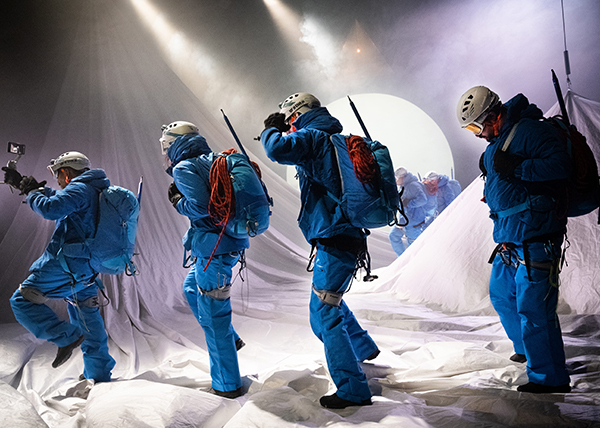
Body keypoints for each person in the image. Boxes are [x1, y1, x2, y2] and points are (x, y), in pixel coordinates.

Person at [261, 92, 380, 409]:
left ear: (295, 115)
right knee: (331, 303)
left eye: (288, 120)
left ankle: (353, 389)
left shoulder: (313, 137)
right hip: (347, 233)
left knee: (323, 314)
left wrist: (272, 129)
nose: (288, 126)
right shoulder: (336, 138)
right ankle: (364, 347)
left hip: (335, 236)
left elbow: (277, 149)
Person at [457, 86, 571, 393]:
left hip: (536, 237)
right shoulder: (498, 141)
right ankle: (529, 350)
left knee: (535, 310)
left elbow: (561, 167)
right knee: (501, 296)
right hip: (511, 238)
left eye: (475, 126)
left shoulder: (530, 131)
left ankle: (550, 378)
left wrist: (518, 168)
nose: (476, 134)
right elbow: (506, 181)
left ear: (492, 115)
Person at [2, 152, 116, 382]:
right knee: (87, 314)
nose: (57, 181)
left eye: (57, 175)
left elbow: (52, 209)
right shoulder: (96, 189)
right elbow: (62, 200)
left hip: (67, 264)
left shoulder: (79, 189)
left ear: (65, 172)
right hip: (89, 268)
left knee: (22, 300)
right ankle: (99, 373)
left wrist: (33, 193)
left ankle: (66, 337)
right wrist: (32, 188)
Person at [159, 121, 247, 399]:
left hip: (213, 250)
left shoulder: (184, 168)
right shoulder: (214, 160)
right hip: (227, 244)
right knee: (189, 288)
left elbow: (202, 209)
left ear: (174, 143)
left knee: (214, 318)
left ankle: (226, 385)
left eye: (166, 145)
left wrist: (177, 202)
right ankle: (232, 340)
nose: (165, 152)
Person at [388, 167, 428, 256]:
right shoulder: (402, 187)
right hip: (404, 222)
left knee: (413, 249)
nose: (395, 181)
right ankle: (402, 258)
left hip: (414, 224)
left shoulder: (413, 186)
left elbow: (423, 200)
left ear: (402, 177)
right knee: (393, 236)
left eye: (396, 178)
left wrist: (409, 203)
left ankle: (411, 264)